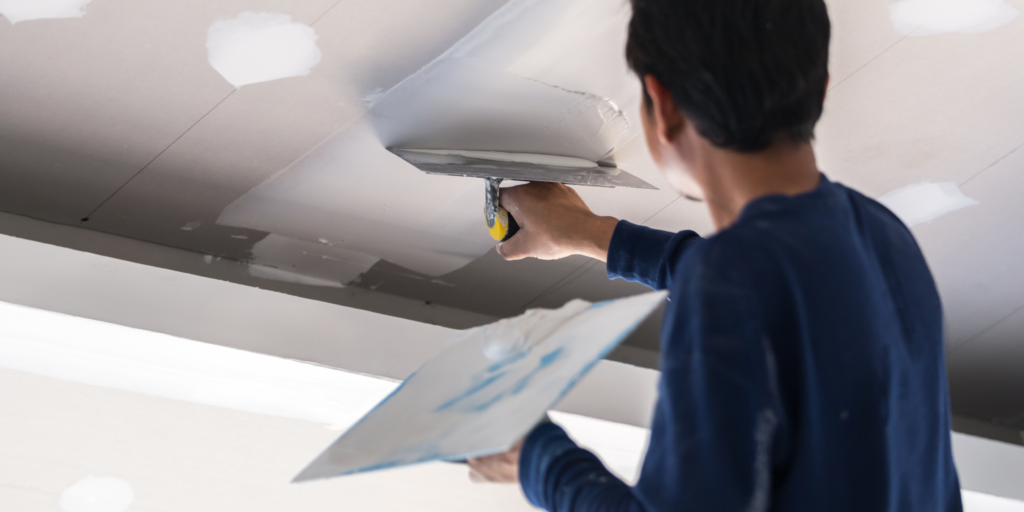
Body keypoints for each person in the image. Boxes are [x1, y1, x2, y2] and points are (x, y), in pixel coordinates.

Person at [466, 0, 964, 510]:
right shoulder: (883, 236)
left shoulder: (732, 280)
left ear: (664, 107)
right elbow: (768, 290)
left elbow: (745, 286)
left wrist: (537, 458)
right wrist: (596, 234)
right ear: (821, 88)